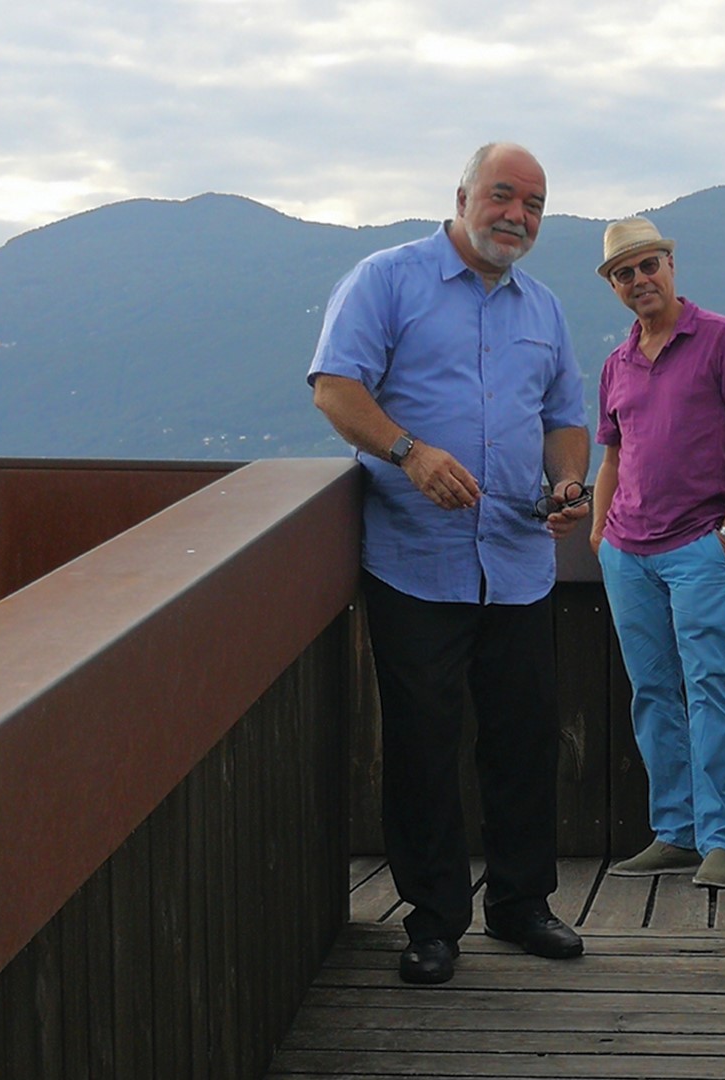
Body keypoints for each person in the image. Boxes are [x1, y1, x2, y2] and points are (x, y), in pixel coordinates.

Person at [306, 142, 590, 986]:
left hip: (518, 562)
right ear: (463, 196)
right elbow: (335, 387)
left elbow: (564, 418)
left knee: (524, 742)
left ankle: (521, 905)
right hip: (415, 563)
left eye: (533, 205)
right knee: (423, 748)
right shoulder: (386, 279)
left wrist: (568, 481)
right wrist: (410, 453)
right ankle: (433, 923)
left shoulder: (544, 307)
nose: (517, 216)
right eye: (503, 196)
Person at [588, 218, 725, 889]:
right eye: (623, 273)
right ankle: (675, 832)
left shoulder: (722, 337)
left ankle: (720, 840)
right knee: (654, 693)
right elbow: (612, 455)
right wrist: (599, 533)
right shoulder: (616, 363)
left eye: (647, 265)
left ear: (670, 264)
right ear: (614, 286)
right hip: (626, 553)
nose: (639, 280)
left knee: (711, 685)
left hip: (699, 544)